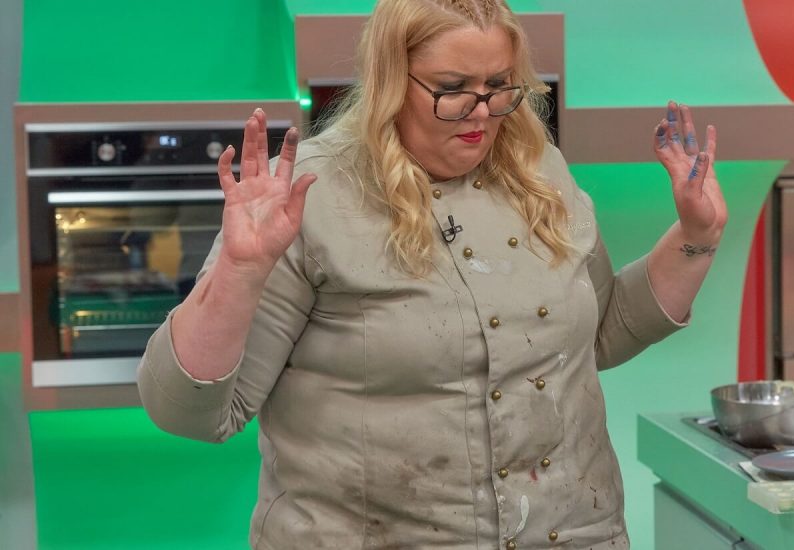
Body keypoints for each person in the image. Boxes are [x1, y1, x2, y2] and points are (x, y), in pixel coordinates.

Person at [136, 0, 727, 548]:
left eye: (499, 86)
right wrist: (239, 271)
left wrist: (696, 235)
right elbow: (191, 412)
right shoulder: (312, 194)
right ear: (391, 81)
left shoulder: (538, 169)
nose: (482, 112)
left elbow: (598, 336)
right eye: (452, 90)